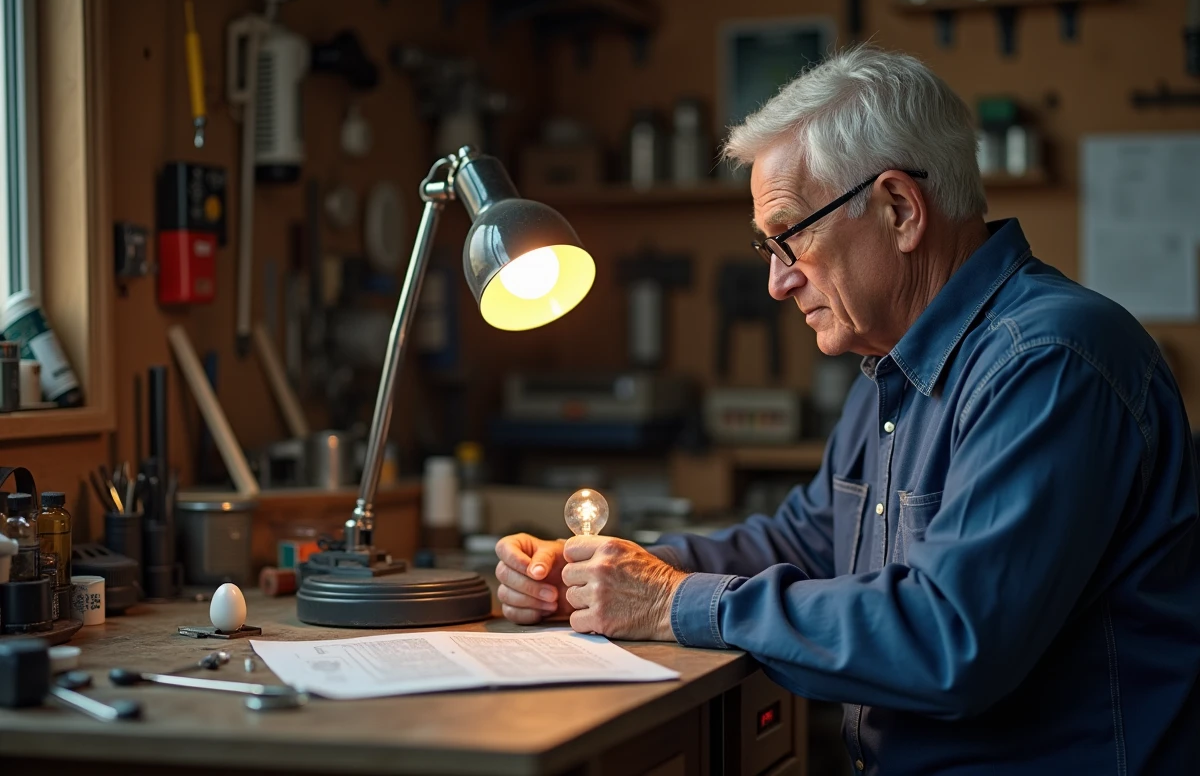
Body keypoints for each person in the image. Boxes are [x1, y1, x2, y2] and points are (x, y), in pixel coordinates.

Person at [494, 46, 1200, 774]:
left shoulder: (1049, 360)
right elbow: (813, 539)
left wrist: (673, 603)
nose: (777, 281)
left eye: (790, 237)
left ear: (899, 209)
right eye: (766, 248)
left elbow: (949, 642)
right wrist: (615, 574)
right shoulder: (895, 365)